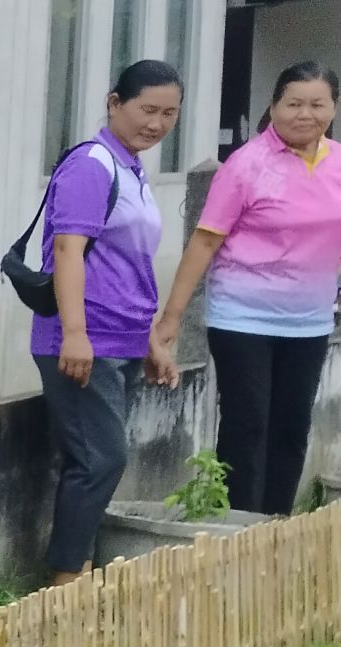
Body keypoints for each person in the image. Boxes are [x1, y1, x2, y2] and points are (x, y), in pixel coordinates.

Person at [152, 61, 341, 517]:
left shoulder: (337, 162)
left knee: (292, 429)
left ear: (332, 108)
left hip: (310, 320)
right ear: (273, 106)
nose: (305, 114)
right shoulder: (247, 165)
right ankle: (237, 526)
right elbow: (204, 241)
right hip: (243, 318)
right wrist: (171, 319)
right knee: (248, 425)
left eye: (317, 104)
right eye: (293, 103)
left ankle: (276, 526)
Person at [37, 60, 185, 585]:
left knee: (94, 459)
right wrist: (75, 334)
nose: (158, 123)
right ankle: (64, 583)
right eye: (147, 109)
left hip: (120, 337)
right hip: (85, 337)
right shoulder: (92, 165)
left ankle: (79, 568)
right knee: (101, 458)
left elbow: (128, 267)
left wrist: (150, 339)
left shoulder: (131, 169)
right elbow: (67, 249)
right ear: (114, 102)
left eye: (169, 113)